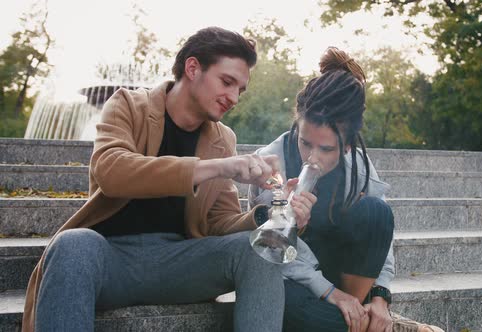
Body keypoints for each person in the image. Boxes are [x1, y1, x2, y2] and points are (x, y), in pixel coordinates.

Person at [22, 26, 285, 332]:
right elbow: (112, 171)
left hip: (180, 263)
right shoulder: (128, 105)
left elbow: (217, 222)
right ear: (193, 68)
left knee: (259, 249)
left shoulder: (222, 138)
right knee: (72, 245)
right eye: (227, 82)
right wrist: (215, 167)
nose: (234, 98)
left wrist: (267, 216)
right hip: (111, 259)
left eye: (240, 89)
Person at [249, 47, 444, 332]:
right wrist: (289, 220)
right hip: (291, 280)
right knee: (287, 308)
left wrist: (381, 296)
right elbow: (271, 259)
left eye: (326, 148)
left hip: (343, 277)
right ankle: (380, 328)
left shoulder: (359, 166)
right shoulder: (272, 165)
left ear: (348, 146)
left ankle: (364, 316)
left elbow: (382, 236)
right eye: (305, 142)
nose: (312, 157)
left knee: (376, 211)